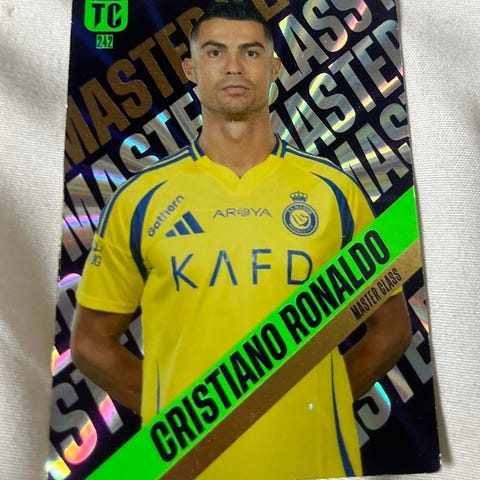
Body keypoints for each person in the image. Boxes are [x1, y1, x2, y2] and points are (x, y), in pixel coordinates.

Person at [71, 1, 412, 478]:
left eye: (250, 53)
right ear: (190, 69)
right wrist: (180, 419)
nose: (233, 66)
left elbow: (391, 330)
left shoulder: (335, 192)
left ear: (273, 68)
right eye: (215, 52)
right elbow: (91, 343)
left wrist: (320, 398)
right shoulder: (139, 200)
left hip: (315, 465)